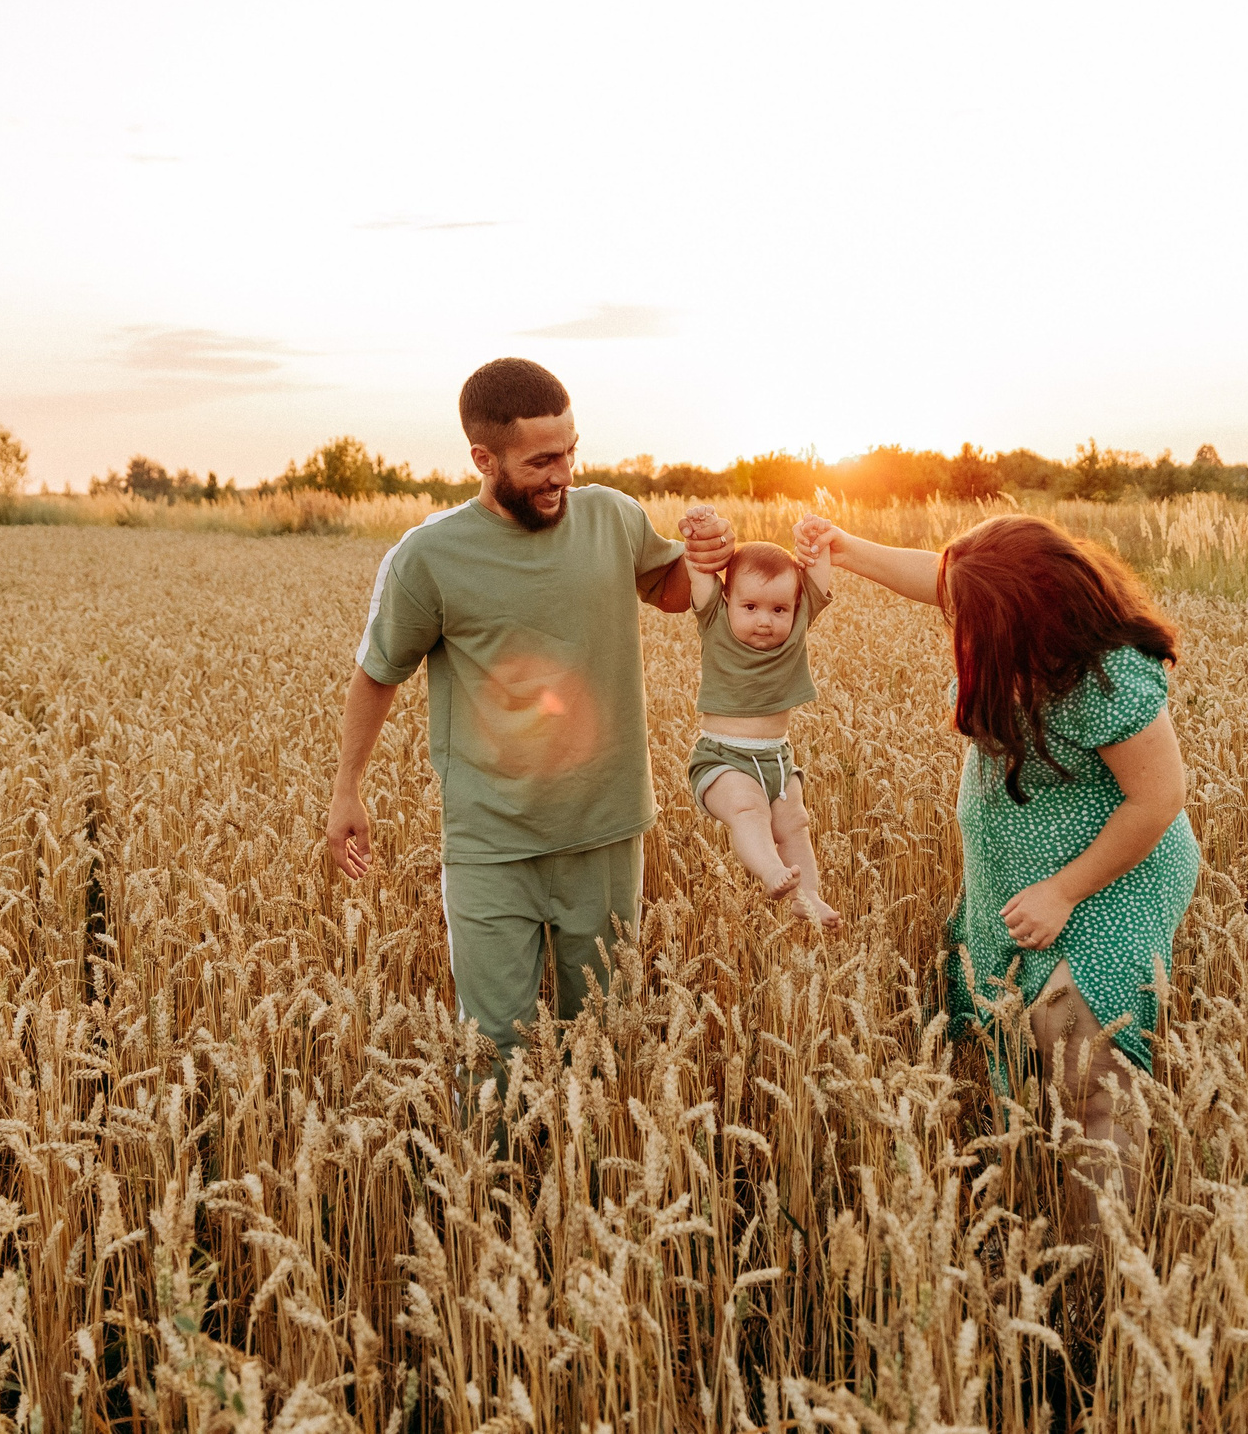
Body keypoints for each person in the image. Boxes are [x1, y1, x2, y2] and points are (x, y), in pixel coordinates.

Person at [326, 357, 733, 1098]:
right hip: (490, 842)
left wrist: (707, 555)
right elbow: (378, 670)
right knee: (491, 1056)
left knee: (606, 1043)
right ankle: (491, 1197)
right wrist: (347, 786)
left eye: (571, 450)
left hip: (605, 829)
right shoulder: (429, 555)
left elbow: (670, 588)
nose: (563, 473)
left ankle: (594, 1204)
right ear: (483, 458)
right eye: (541, 459)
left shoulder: (612, 516)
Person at [795, 510, 1199, 1236]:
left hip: (1111, 871)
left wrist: (1064, 890)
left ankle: (1103, 1256)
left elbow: (1158, 799)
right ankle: (1039, 1181)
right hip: (1017, 865)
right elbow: (940, 578)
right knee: (1011, 1012)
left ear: (1038, 616)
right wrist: (846, 548)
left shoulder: (1108, 679)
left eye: (980, 623)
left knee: (1082, 1048)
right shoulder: (1001, 617)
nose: (963, 634)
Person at [676, 512, 841, 929]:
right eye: (750, 606)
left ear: (796, 608)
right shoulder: (714, 619)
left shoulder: (797, 625)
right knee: (749, 810)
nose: (765, 620)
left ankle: (808, 898)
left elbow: (818, 579)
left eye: (778, 609)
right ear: (728, 599)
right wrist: (701, 530)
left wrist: (815, 539)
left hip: (778, 761)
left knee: (796, 826)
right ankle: (771, 873)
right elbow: (699, 568)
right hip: (723, 759)